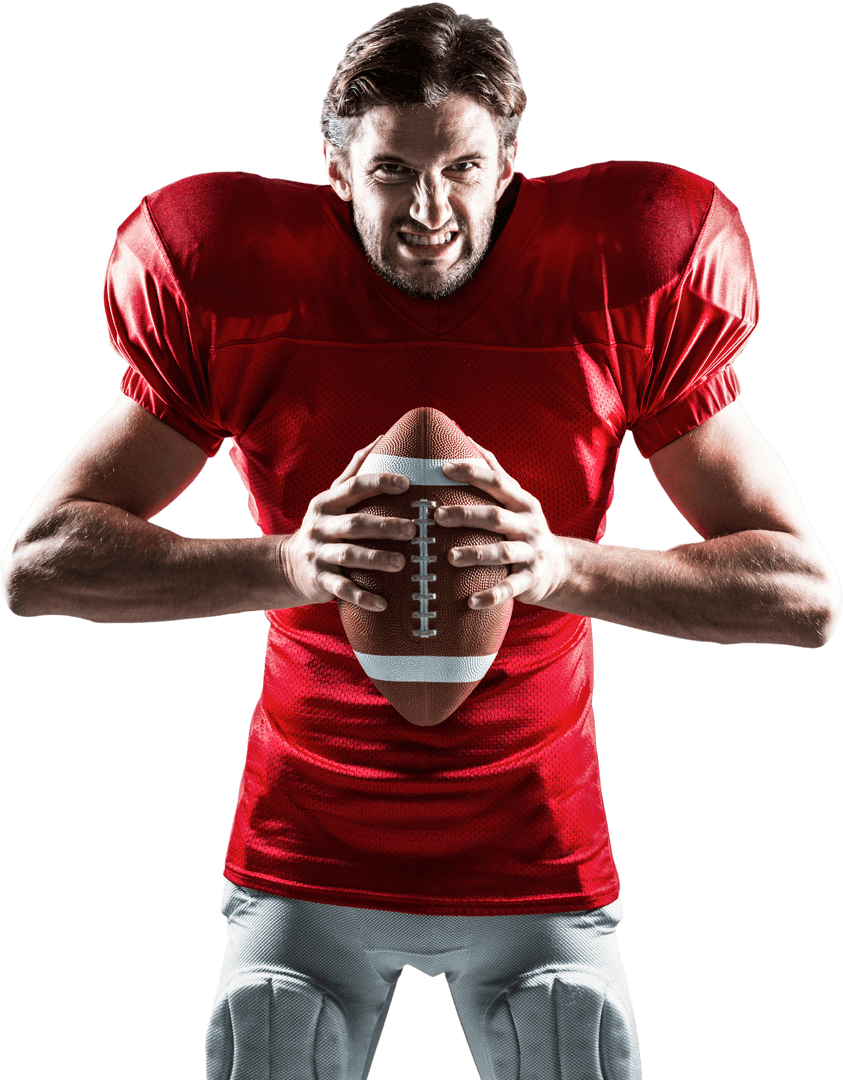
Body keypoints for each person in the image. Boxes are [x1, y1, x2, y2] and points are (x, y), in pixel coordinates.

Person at [2, 3, 840, 1078]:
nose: (430, 209)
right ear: (337, 172)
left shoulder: (612, 281)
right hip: (306, 843)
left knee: (567, 1040)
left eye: (462, 168)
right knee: (273, 1036)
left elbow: (805, 595)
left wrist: (559, 565)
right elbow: (39, 563)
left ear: (508, 167)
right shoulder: (243, 286)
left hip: (536, 848)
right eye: (393, 171)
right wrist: (286, 563)